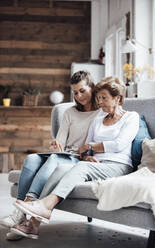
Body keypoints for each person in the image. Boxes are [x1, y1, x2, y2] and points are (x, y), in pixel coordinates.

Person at [10, 76, 139, 239]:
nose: (100, 102)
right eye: (98, 98)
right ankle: (33, 226)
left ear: (118, 98)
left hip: (118, 165)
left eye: (104, 98)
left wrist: (91, 147)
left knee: (81, 167)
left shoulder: (131, 117)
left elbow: (119, 144)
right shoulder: (98, 120)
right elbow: (84, 148)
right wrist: (86, 156)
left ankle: (43, 206)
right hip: (97, 165)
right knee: (61, 169)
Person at [0, 70, 100, 240]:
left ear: (92, 87)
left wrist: (86, 154)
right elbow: (60, 140)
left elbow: (99, 141)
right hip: (64, 154)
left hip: (78, 159)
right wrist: (56, 144)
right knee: (32, 158)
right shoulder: (69, 112)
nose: (79, 96)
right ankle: (20, 215)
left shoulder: (100, 113)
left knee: (54, 159)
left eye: (82, 91)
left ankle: (26, 213)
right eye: (75, 92)